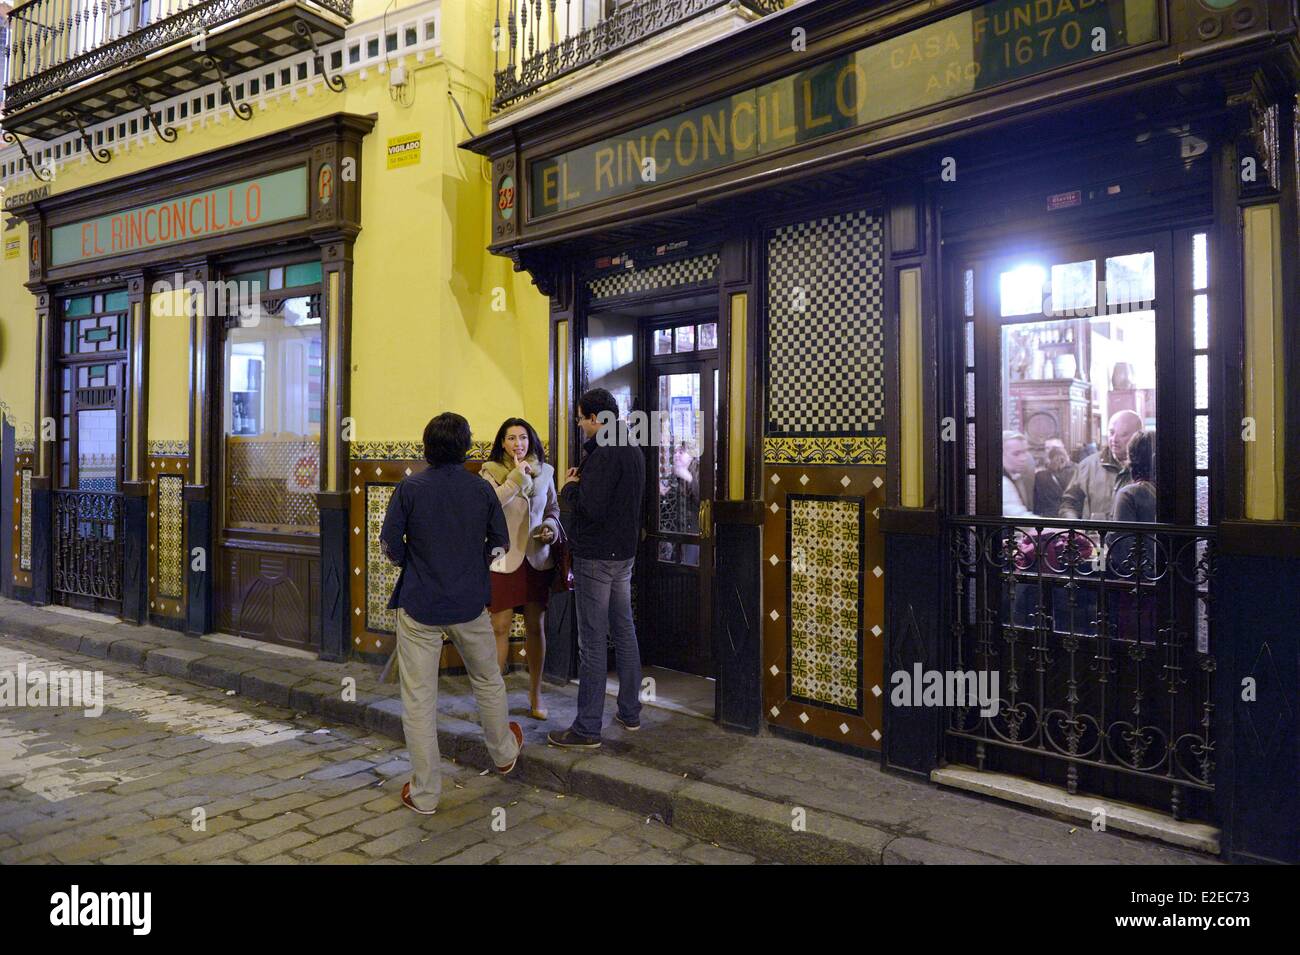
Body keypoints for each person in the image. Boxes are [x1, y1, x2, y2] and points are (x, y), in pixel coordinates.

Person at [380, 412, 523, 814]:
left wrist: (415, 563)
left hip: (419, 605)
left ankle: (425, 794)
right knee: (488, 679)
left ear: (427, 446)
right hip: (468, 604)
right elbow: (499, 544)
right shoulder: (480, 490)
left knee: (420, 700)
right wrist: (471, 565)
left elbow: (390, 546)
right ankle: (503, 752)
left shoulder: (410, 488)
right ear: (466, 447)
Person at [548, 387, 646, 749]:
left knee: (591, 642)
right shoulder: (631, 446)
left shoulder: (606, 453)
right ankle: (630, 711)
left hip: (597, 557)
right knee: (623, 629)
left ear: (596, 419)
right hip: (623, 556)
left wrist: (571, 488)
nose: (579, 424)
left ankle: (587, 728)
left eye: (580, 418)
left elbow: (592, 508)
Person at [480, 417, 561, 721]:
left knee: (535, 627)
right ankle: (494, 698)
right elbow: (490, 506)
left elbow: (551, 508)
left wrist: (551, 527)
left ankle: (535, 693)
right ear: (502, 442)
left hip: (537, 558)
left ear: (531, 440)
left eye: (523, 437)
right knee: (498, 627)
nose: (518, 443)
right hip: (503, 560)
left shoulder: (546, 472)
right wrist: (516, 477)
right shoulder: (491, 472)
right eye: (511, 438)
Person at [1059, 410, 1142, 520]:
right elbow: (1069, 504)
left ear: (1138, 435)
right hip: (1093, 536)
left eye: (1123, 434)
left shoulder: (1148, 467)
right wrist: (1075, 528)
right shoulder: (1087, 466)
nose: (1114, 439)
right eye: (1111, 432)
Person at [1033, 438, 1076, 518]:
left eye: (1055, 447)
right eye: (1047, 448)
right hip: (1051, 518)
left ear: (1063, 449)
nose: (1050, 450)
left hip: (1066, 516)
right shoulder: (1038, 471)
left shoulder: (1076, 470)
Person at [1001, 430, 1036, 517]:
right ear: (1000, 454)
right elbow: (1020, 518)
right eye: (1016, 454)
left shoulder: (1020, 476)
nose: (1023, 458)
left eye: (1025, 452)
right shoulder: (1003, 483)